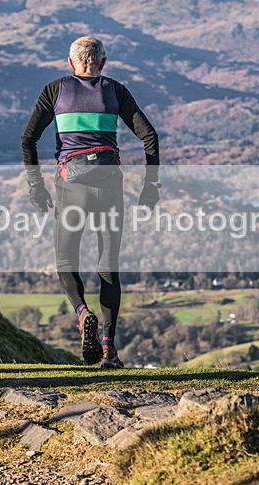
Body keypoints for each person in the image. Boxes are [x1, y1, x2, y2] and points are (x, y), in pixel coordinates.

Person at [21, 36, 161, 368]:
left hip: (72, 185)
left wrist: (36, 188)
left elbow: (28, 138)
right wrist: (150, 187)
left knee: (66, 259)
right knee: (108, 264)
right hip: (109, 183)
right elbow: (150, 135)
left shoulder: (54, 90)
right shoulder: (116, 91)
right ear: (103, 62)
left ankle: (83, 314)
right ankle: (110, 351)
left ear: (71, 63)